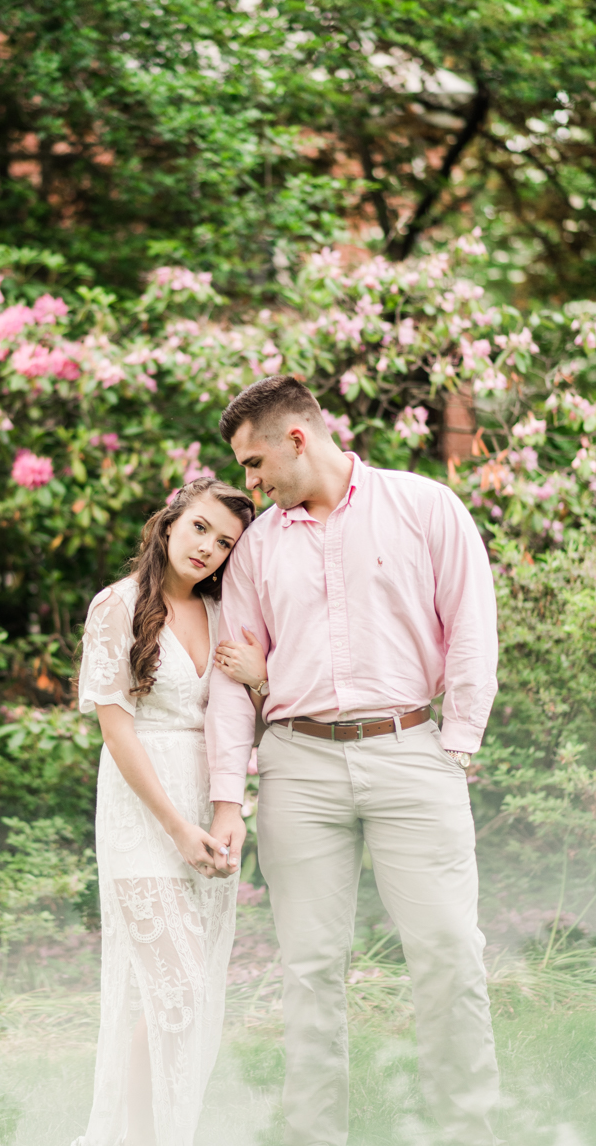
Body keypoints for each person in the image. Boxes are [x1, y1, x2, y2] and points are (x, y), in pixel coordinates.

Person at [205, 375, 501, 1146]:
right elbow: (234, 680)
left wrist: (456, 745)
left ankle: (467, 1132)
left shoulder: (425, 506)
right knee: (308, 970)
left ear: (295, 439)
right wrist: (227, 798)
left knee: (447, 953)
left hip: (412, 754)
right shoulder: (258, 548)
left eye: (251, 462)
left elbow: (472, 625)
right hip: (297, 767)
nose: (250, 483)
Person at [73, 476, 260, 1146]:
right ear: (172, 520)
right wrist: (176, 828)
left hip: (208, 808)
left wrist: (222, 810)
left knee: (192, 996)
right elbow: (116, 728)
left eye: (225, 542)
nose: (209, 547)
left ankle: (146, 1133)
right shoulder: (118, 605)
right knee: (175, 989)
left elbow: (243, 714)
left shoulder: (222, 613)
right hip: (143, 813)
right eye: (201, 528)